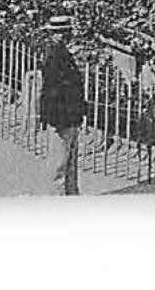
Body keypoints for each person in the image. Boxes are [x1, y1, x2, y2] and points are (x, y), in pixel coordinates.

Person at [38, 15, 86, 196]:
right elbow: (51, 90)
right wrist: (56, 119)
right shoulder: (55, 55)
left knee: (69, 162)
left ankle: (71, 197)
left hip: (69, 116)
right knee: (60, 163)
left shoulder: (60, 52)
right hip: (62, 117)